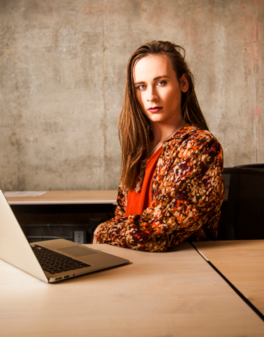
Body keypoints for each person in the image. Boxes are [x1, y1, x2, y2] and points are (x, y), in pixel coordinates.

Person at [93, 41, 224, 252]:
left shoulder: (200, 146)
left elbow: (164, 227)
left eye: (161, 83)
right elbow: (122, 215)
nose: (151, 96)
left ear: (183, 83)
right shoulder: (140, 149)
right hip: (135, 264)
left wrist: (104, 231)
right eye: (141, 87)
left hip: (181, 270)